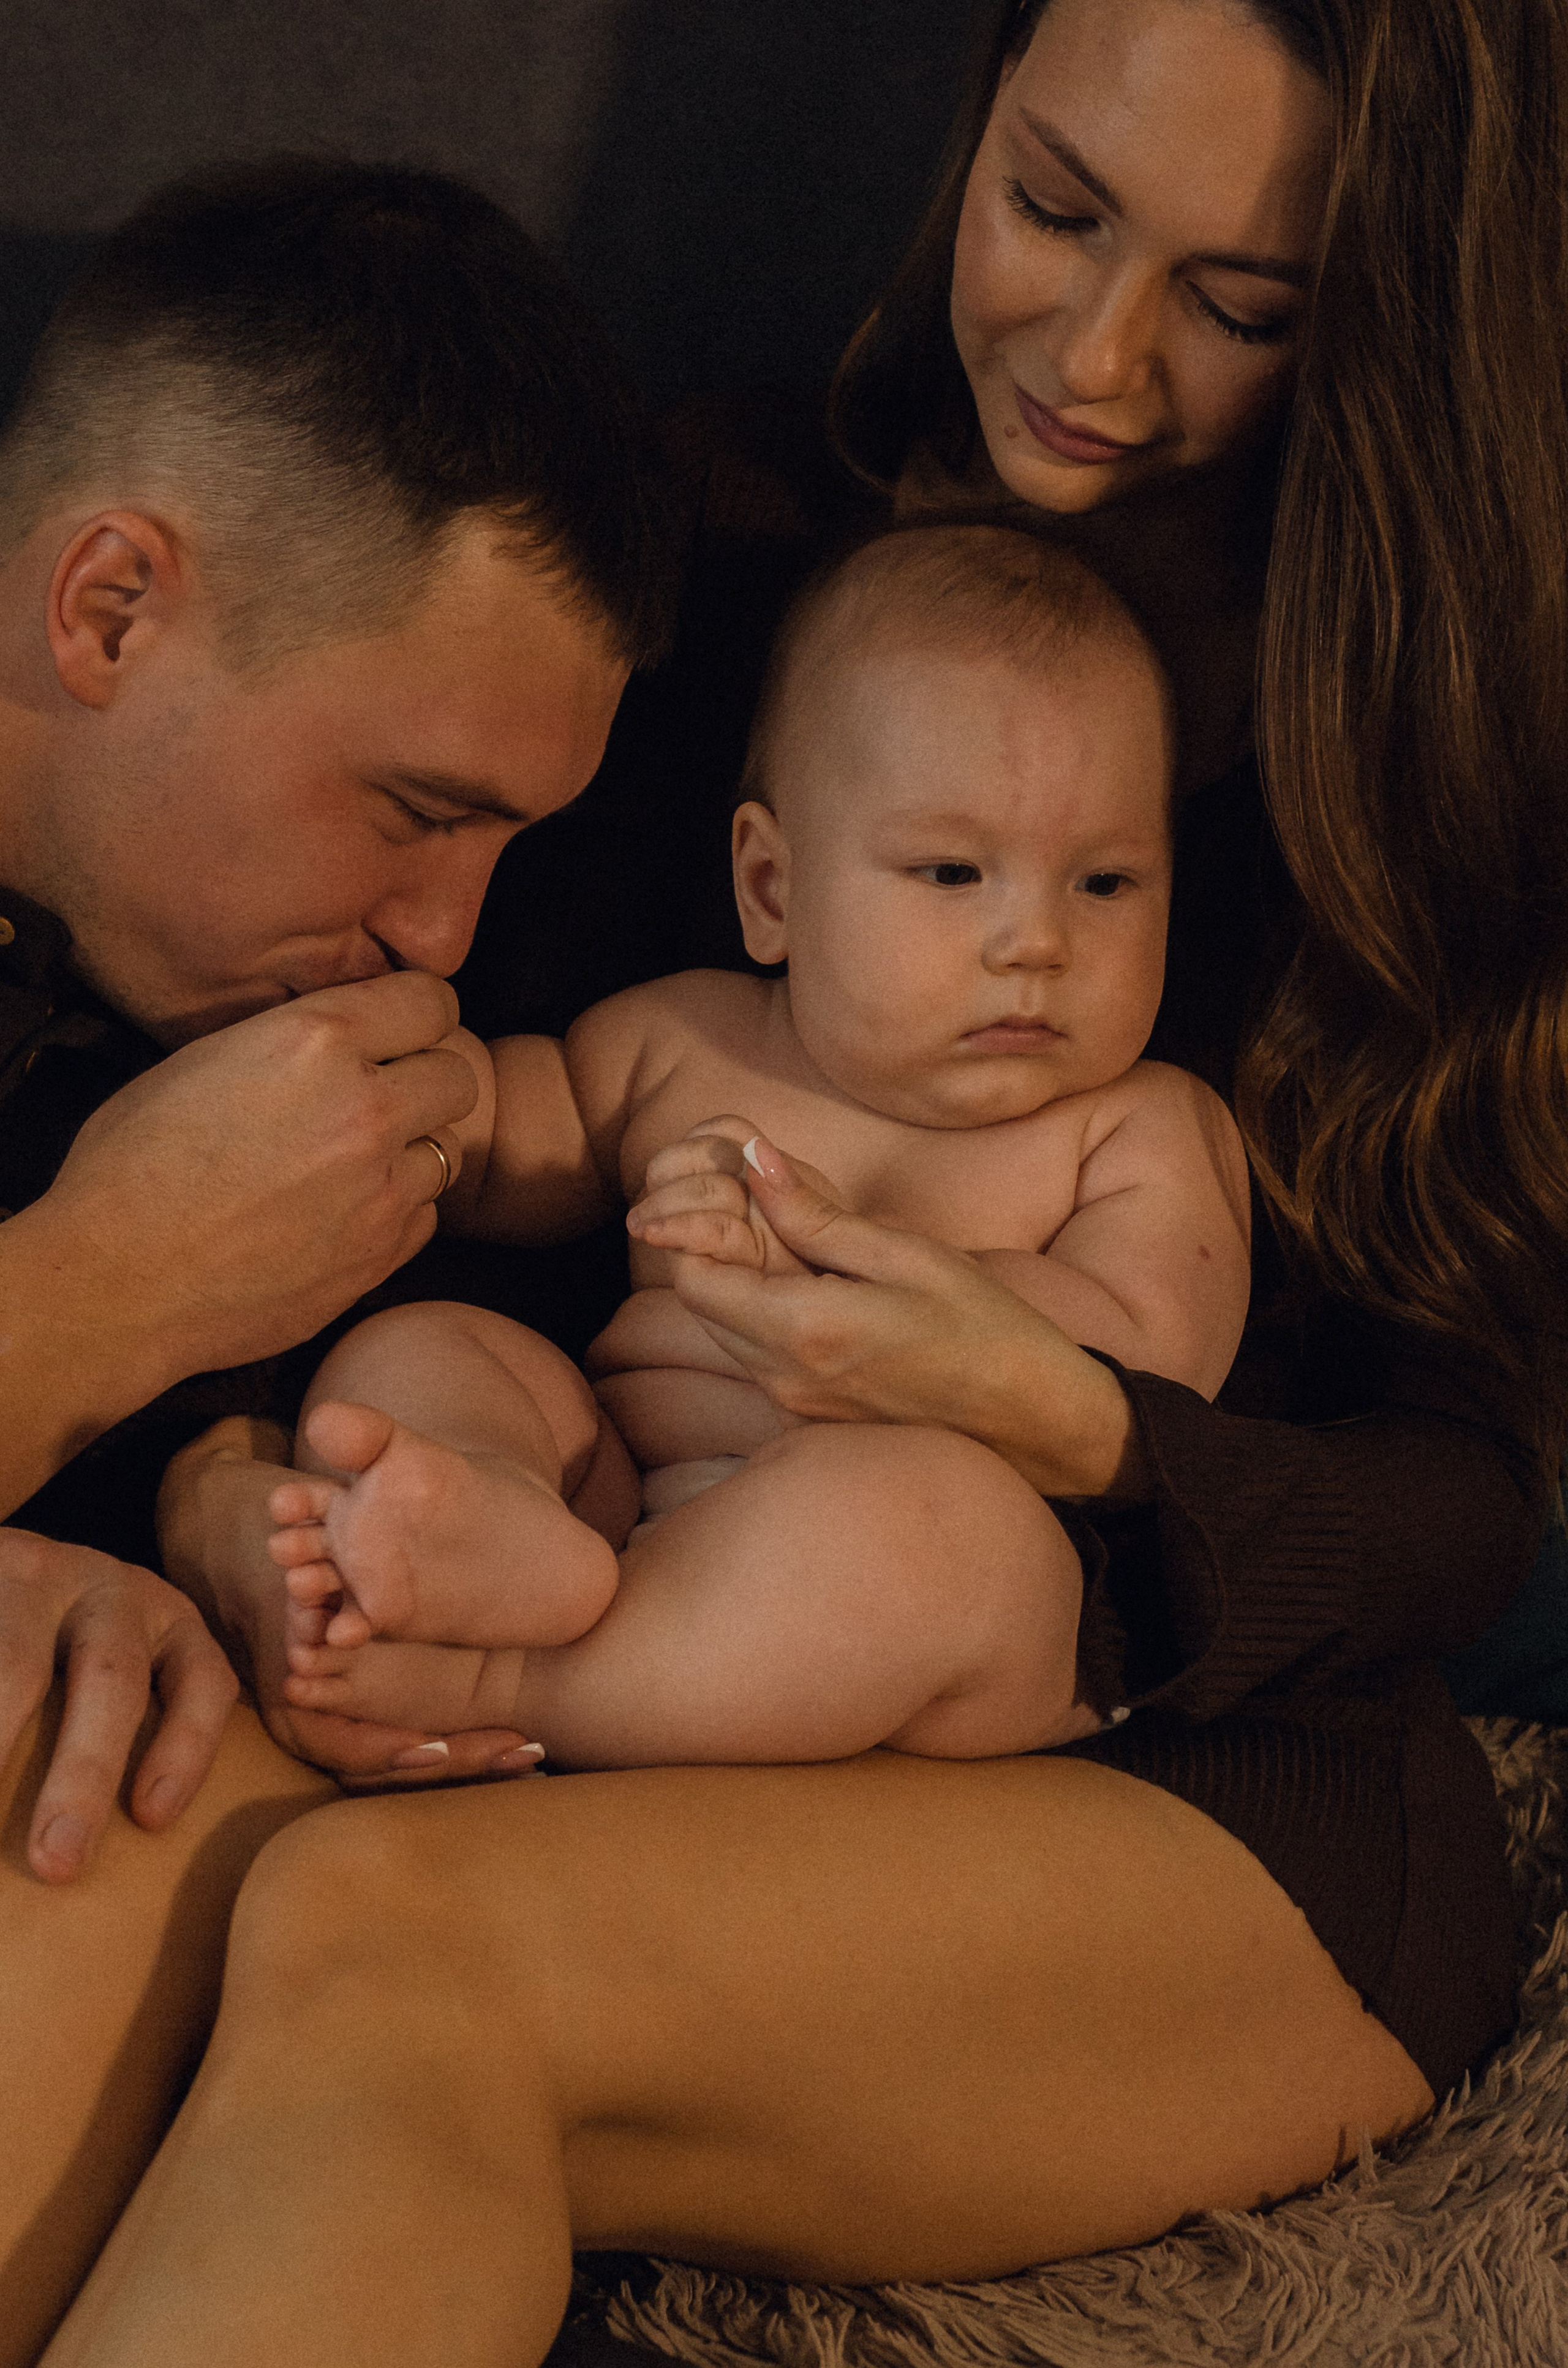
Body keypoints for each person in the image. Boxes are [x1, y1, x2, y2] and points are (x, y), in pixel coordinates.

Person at [16, 0, 1568, 2359]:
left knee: (394, 1931)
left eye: (1245, 304)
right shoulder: (699, 557)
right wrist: (228, 1484)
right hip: (613, 1561)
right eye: (1051, 208)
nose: (1107, 357)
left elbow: (1464, 1510)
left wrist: (1066, 1415)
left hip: (1198, 1767)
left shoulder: (1425, 768)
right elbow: (331, 1109)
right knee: (146, 1833)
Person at [0, 155, 675, 2362]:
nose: (445, 937)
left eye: (510, 839)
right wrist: (105, 1285)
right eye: (415, 808)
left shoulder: (285, 1003)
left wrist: (212, 1491)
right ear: (107, 607)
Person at [262, 523, 1251, 1771]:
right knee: (423, 1348)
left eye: (1105, 883)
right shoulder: (685, 1037)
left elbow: (1158, 1365)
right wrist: (402, 1100)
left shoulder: (1138, 1123)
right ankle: (493, 1521)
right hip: (634, 1503)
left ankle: (511, 1682)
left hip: (925, 1594)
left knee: (931, 1534)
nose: (1034, 943)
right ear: (772, 889)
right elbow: (517, 1130)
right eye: (953, 872)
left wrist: (853, 1270)